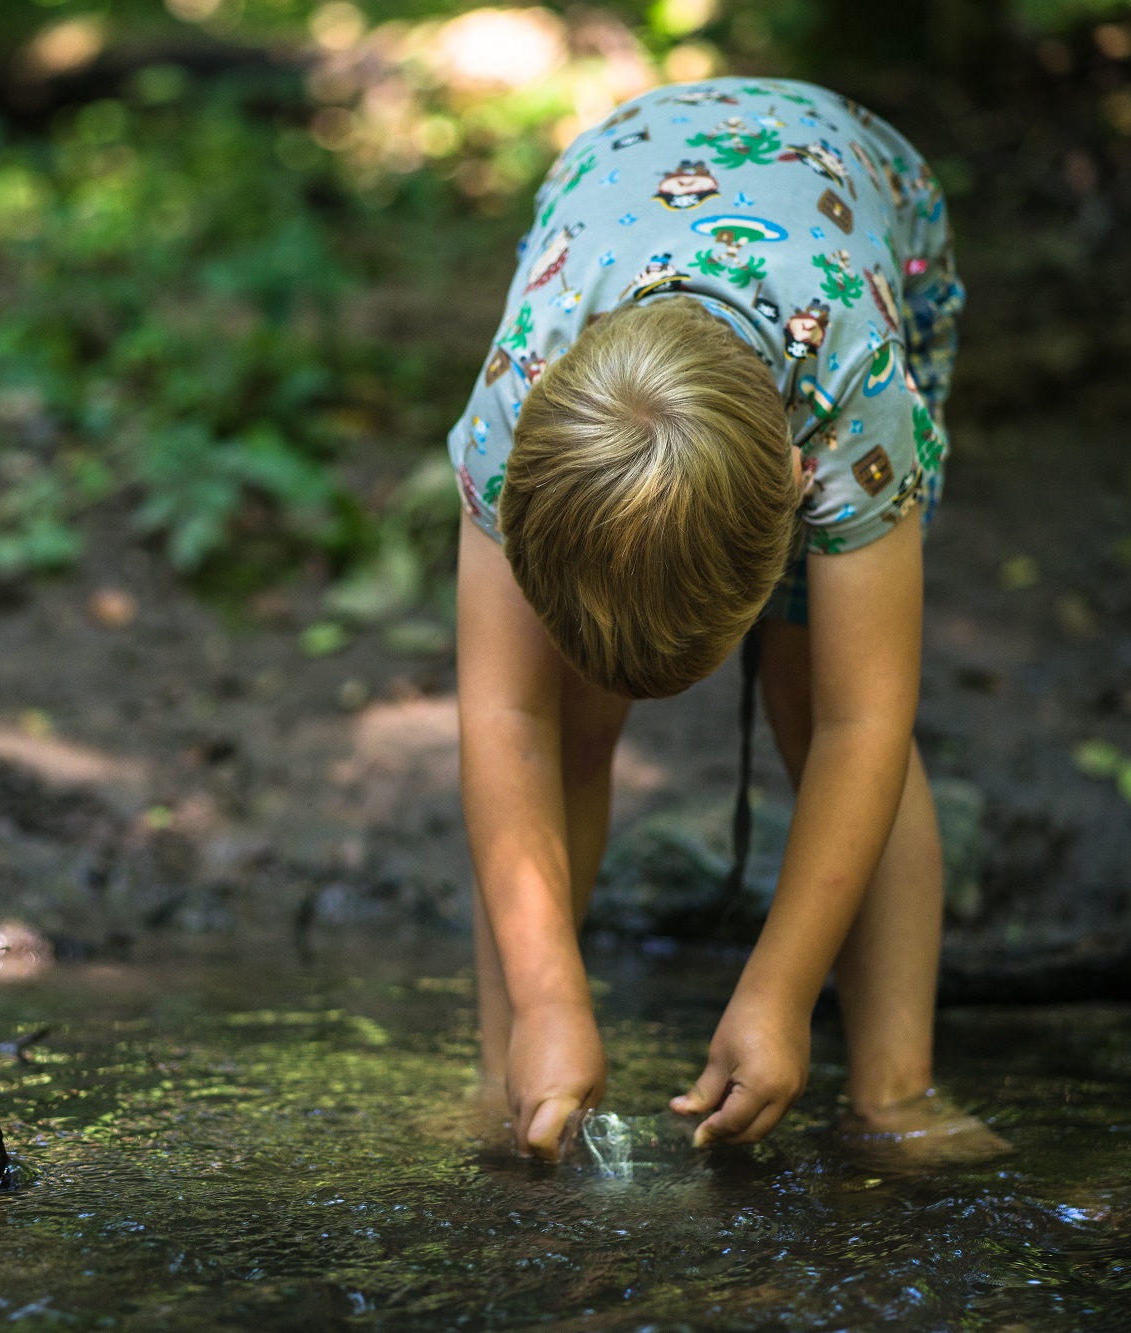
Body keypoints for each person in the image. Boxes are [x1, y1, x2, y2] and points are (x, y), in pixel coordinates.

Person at [451, 76, 998, 1160]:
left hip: (853, 201)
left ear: (801, 493)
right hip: (615, 186)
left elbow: (865, 728)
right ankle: (502, 1076)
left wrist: (779, 992)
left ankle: (896, 1093)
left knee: (815, 698)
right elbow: (505, 721)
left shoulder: (854, 401)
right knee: (568, 719)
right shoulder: (515, 414)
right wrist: (548, 999)